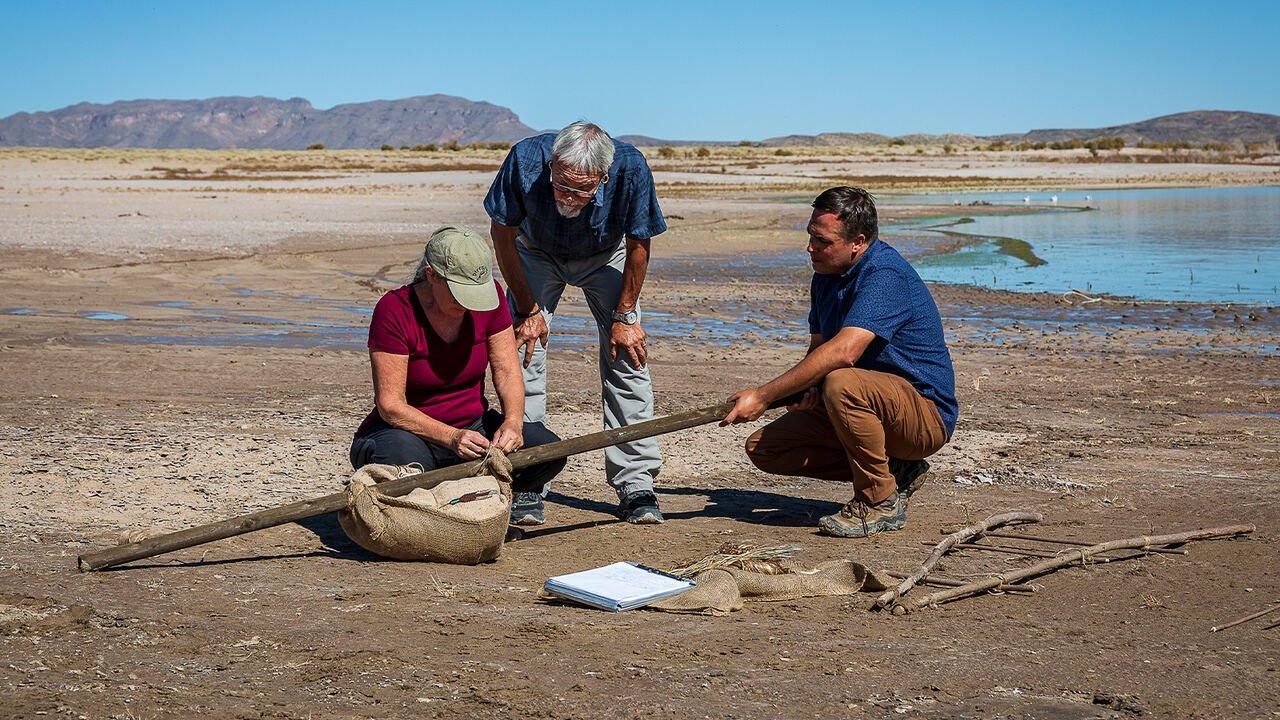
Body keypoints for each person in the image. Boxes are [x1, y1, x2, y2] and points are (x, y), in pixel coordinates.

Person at [722, 187, 957, 538]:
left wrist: (765, 395)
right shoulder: (826, 277)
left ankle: (878, 501)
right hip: (867, 405)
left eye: (822, 241)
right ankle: (895, 471)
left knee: (841, 382)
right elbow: (819, 348)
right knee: (767, 448)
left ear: (858, 242)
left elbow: (843, 352)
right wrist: (805, 391)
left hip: (923, 415)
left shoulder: (885, 275)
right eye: (810, 237)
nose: (810, 248)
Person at [484, 121, 667, 525]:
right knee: (523, 353)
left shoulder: (631, 168)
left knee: (628, 356)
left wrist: (625, 316)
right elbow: (502, 233)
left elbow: (639, 244)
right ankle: (528, 478)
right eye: (560, 185)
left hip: (607, 255)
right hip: (535, 251)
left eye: (581, 190)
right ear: (551, 165)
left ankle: (636, 482)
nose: (568, 196)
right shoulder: (526, 160)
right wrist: (528, 310)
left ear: (603, 177)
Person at [350, 225, 565, 510]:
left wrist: (512, 423)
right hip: (407, 433)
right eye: (460, 293)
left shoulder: (493, 300)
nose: (470, 305)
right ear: (432, 276)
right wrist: (451, 437)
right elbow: (390, 406)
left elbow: (507, 372)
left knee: (548, 451)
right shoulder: (394, 310)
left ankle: (469, 500)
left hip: (473, 428)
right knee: (412, 472)